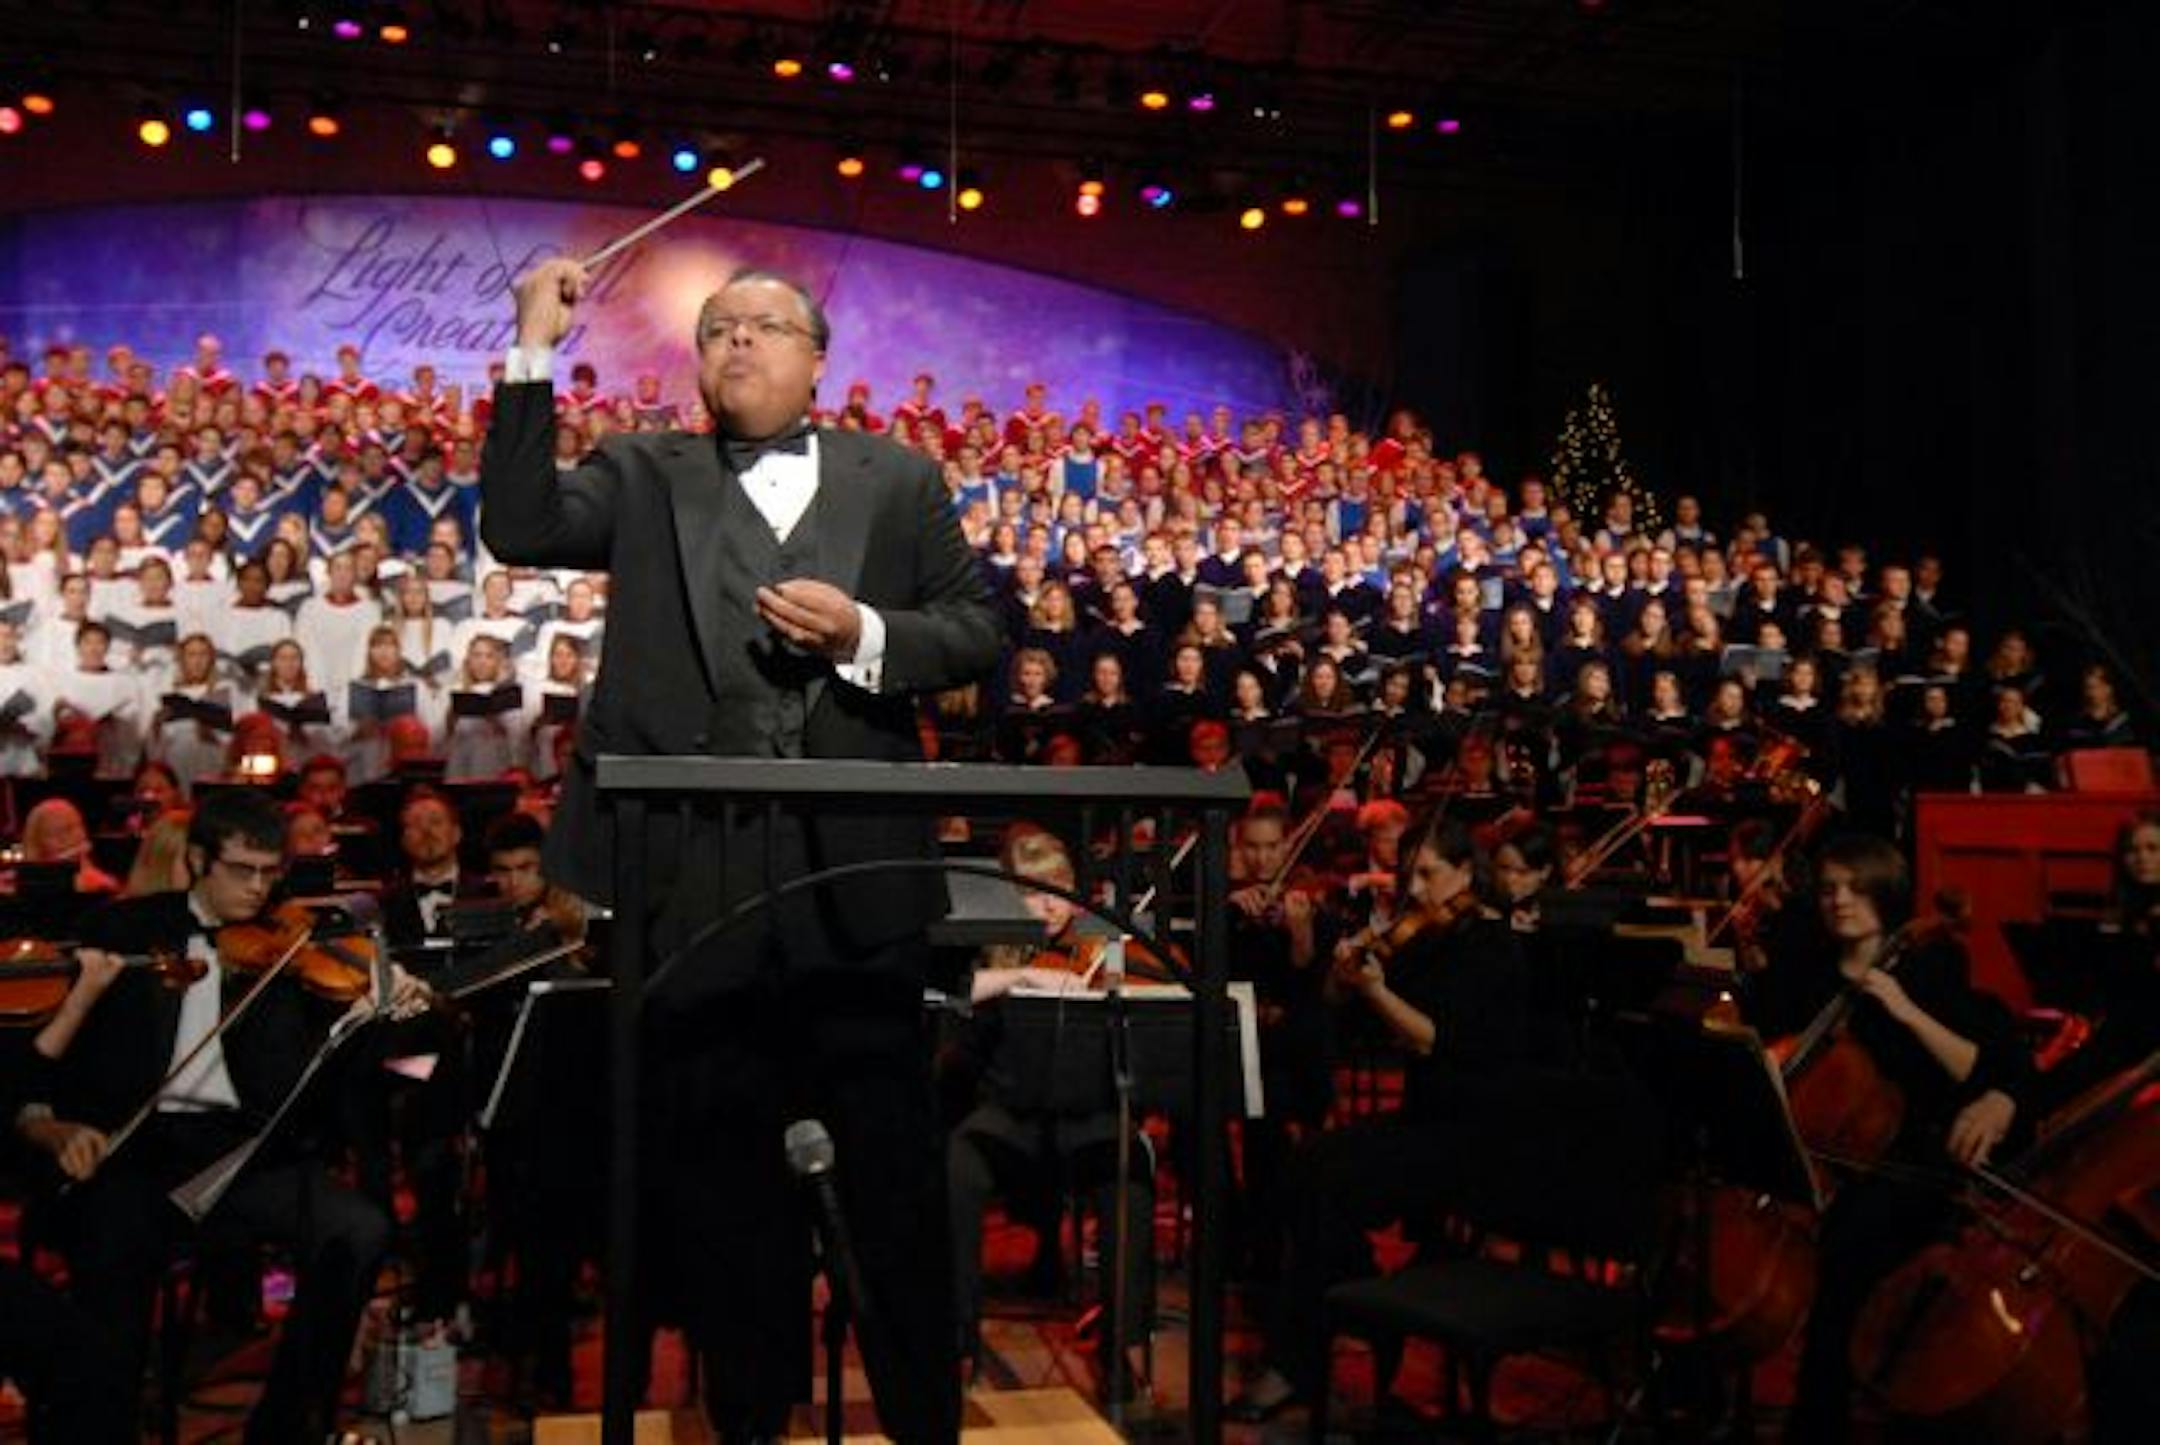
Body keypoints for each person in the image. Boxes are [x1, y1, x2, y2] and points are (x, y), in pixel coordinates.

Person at [481, 258, 1002, 1443]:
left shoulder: (900, 477)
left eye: (766, 326)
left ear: (819, 360)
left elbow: (979, 627)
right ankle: (747, 1422)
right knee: (723, 1199)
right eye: (716, 329)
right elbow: (518, 523)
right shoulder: (645, 470)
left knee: (892, 1189)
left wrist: (869, 631)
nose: (738, 343)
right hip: (694, 883)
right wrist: (529, 347)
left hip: (855, 882)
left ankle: (926, 1420)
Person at [8, 787, 426, 1443]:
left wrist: (369, 1019)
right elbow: (49, 1059)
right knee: (112, 1244)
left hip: (239, 1150)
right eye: (242, 870)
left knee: (359, 1229)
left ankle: (284, 1425)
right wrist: (47, 1120)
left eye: (270, 871)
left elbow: (328, 1084)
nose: (259, 888)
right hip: (135, 1147)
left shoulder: (291, 948)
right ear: (199, 860)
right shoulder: (124, 929)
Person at [944, 826, 1155, 1402]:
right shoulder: (992, 943)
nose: (1052, 906)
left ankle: (1124, 1345)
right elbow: (949, 995)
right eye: (1034, 893)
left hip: (1086, 1115)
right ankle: (956, 1342)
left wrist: (1110, 987)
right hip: (1009, 1115)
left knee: (1129, 1163)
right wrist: (1021, 975)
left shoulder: (1099, 939)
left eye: (1060, 890)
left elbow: (1143, 1000)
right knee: (959, 1163)